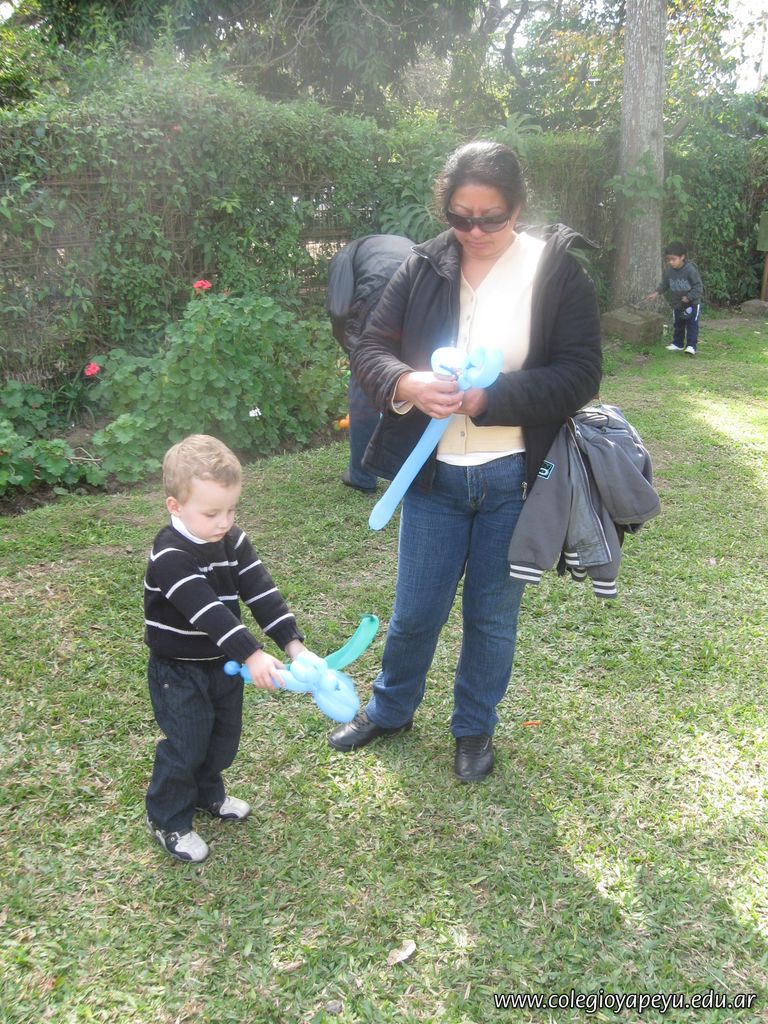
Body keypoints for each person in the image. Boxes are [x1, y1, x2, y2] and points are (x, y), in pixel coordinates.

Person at [327, 140, 603, 782]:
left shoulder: (556, 271)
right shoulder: (425, 264)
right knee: (415, 611)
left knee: (492, 617)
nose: (474, 232)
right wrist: (406, 383)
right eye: (460, 217)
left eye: (491, 218)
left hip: (515, 479)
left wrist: (490, 398)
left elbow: (580, 373)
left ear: (518, 208)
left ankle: (474, 729)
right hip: (433, 478)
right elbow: (370, 347)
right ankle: (390, 710)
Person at [144, 434, 308, 862]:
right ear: (175, 506)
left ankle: (207, 793)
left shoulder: (232, 540)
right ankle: (167, 818)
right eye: (212, 513)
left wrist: (293, 645)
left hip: (222, 665)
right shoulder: (170, 554)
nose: (225, 522)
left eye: (232, 509)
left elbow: (260, 590)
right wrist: (252, 654)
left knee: (223, 737)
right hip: (179, 670)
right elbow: (207, 611)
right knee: (187, 743)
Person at [328, 233, 414, 493]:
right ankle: (411, 471)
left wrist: (355, 356)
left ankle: (361, 476)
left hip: (379, 291)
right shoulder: (394, 244)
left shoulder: (344, 255)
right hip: (419, 287)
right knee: (412, 378)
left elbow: (338, 310)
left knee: (364, 382)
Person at [647, 241, 703, 355]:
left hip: (692, 304)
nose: (671, 262)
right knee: (678, 324)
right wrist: (656, 293)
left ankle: (691, 346)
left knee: (692, 325)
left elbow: (698, 286)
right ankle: (678, 344)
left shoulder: (690, 270)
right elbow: (665, 284)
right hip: (677, 303)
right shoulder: (669, 271)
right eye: (668, 259)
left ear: (682, 257)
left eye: (673, 259)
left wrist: (689, 297)